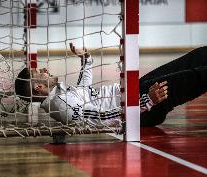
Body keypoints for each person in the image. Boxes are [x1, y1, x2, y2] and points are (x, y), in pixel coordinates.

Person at [15, 43, 207, 127]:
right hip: (141, 107)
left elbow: (84, 91)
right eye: (39, 73)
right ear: (38, 88)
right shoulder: (62, 106)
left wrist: (86, 60)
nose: (44, 71)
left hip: (134, 94)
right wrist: (147, 101)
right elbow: (104, 118)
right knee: (198, 75)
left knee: (199, 56)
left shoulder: (58, 95)